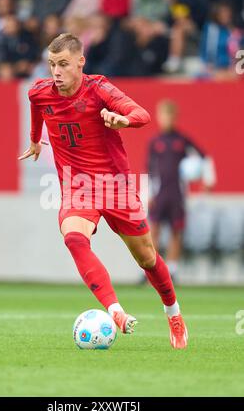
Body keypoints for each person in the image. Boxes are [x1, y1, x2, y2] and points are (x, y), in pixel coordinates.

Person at [18, 33, 188, 349]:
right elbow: (36, 107)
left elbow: (142, 115)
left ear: (80, 62)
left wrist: (122, 119)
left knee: (148, 259)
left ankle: (173, 313)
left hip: (116, 186)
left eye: (64, 64)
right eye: (52, 64)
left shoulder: (98, 89)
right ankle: (115, 310)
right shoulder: (40, 92)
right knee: (73, 238)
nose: (56, 71)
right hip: (77, 187)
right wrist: (33, 139)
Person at [147, 99, 206, 280]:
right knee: (153, 230)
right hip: (159, 193)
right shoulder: (155, 142)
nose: (167, 120)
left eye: (170, 116)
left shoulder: (182, 140)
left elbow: (202, 157)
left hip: (177, 194)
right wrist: (149, 193)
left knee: (175, 231)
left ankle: (172, 270)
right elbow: (149, 170)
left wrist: (206, 179)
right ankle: (152, 271)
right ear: (159, 117)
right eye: (164, 116)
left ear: (175, 117)